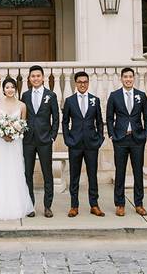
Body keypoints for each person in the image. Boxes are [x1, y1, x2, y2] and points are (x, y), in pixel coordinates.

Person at [0, 77, 35, 220]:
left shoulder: (22, 106)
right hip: (0, 143)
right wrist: (3, 134)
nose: (10, 89)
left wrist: (15, 133)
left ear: (16, 89)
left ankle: (17, 205)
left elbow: (24, 125)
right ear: (3, 89)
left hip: (15, 143)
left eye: (12, 87)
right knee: (0, 171)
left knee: (15, 170)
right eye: (7, 87)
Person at [105, 67, 147, 216]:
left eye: (131, 77)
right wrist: (112, 135)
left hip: (137, 139)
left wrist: (146, 134)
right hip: (120, 139)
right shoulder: (114, 96)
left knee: (138, 172)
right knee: (120, 172)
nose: (128, 79)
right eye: (126, 77)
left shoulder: (141, 95)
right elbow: (109, 117)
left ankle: (139, 204)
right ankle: (120, 204)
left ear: (134, 78)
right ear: (121, 78)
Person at [61, 70, 105, 218]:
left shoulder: (95, 100)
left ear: (88, 83)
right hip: (75, 144)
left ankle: (94, 205)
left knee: (92, 175)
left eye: (85, 82)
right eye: (80, 82)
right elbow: (65, 121)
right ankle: (74, 205)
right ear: (75, 83)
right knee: (75, 176)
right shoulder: (69, 101)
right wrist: (68, 139)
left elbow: (99, 122)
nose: (82, 84)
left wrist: (100, 139)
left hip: (92, 143)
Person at [20, 64, 60, 218]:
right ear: (29, 79)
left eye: (38, 76)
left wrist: (52, 136)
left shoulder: (51, 95)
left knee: (47, 173)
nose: (35, 78)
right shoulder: (25, 95)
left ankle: (47, 206)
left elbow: (56, 118)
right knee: (27, 174)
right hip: (28, 140)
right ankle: (30, 206)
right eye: (33, 76)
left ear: (43, 77)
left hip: (45, 140)